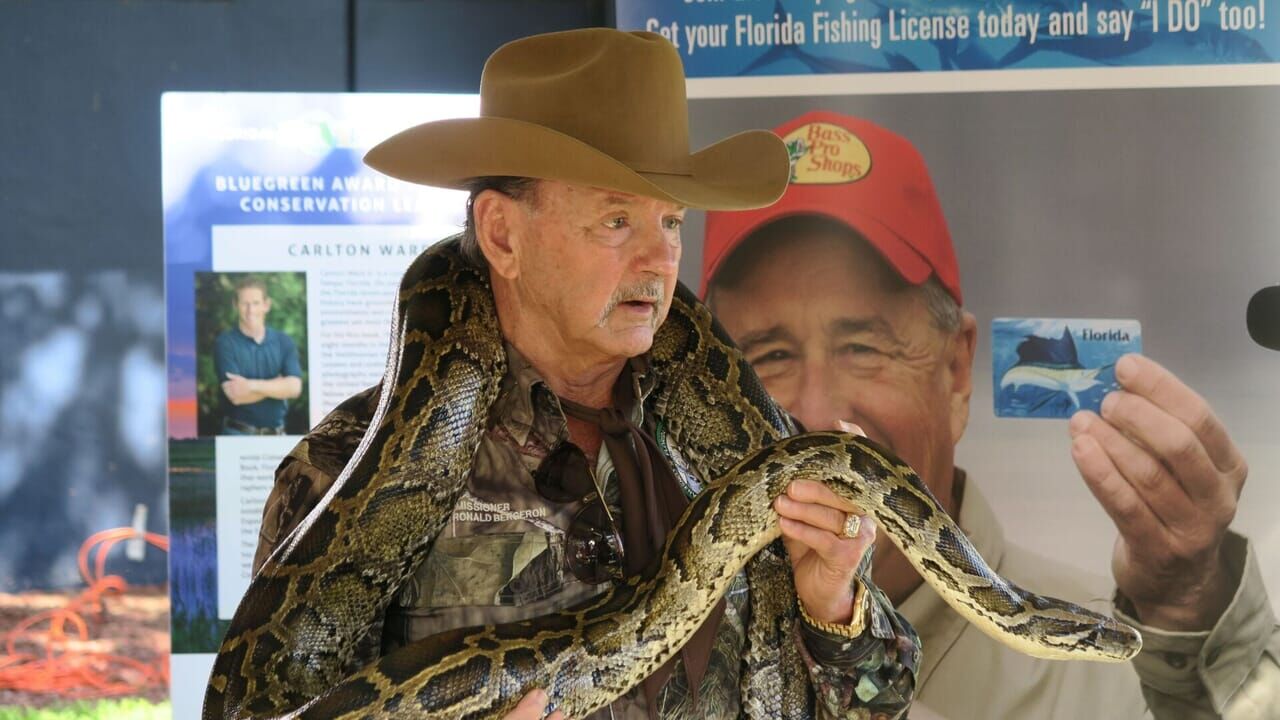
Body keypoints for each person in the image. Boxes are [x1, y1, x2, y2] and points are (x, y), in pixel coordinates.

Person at [249, 32, 920, 720]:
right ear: (502, 235)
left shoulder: (753, 448)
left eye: (671, 221)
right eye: (617, 220)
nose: (661, 260)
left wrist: (831, 605)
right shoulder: (337, 471)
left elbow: (882, 705)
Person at [701, 110, 1280, 718]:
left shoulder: (1117, 683)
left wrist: (1194, 618)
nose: (820, 412)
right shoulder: (679, 653)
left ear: (956, 372)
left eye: (862, 347)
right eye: (769, 356)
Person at [212, 276, 303, 435]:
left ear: (266, 305)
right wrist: (278, 384)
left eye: (255, 303)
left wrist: (250, 385)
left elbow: (294, 388)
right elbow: (235, 396)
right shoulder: (225, 343)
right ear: (235, 305)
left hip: (277, 435)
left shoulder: (283, 341)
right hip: (237, 435)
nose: (250, 310)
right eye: (244, 303)